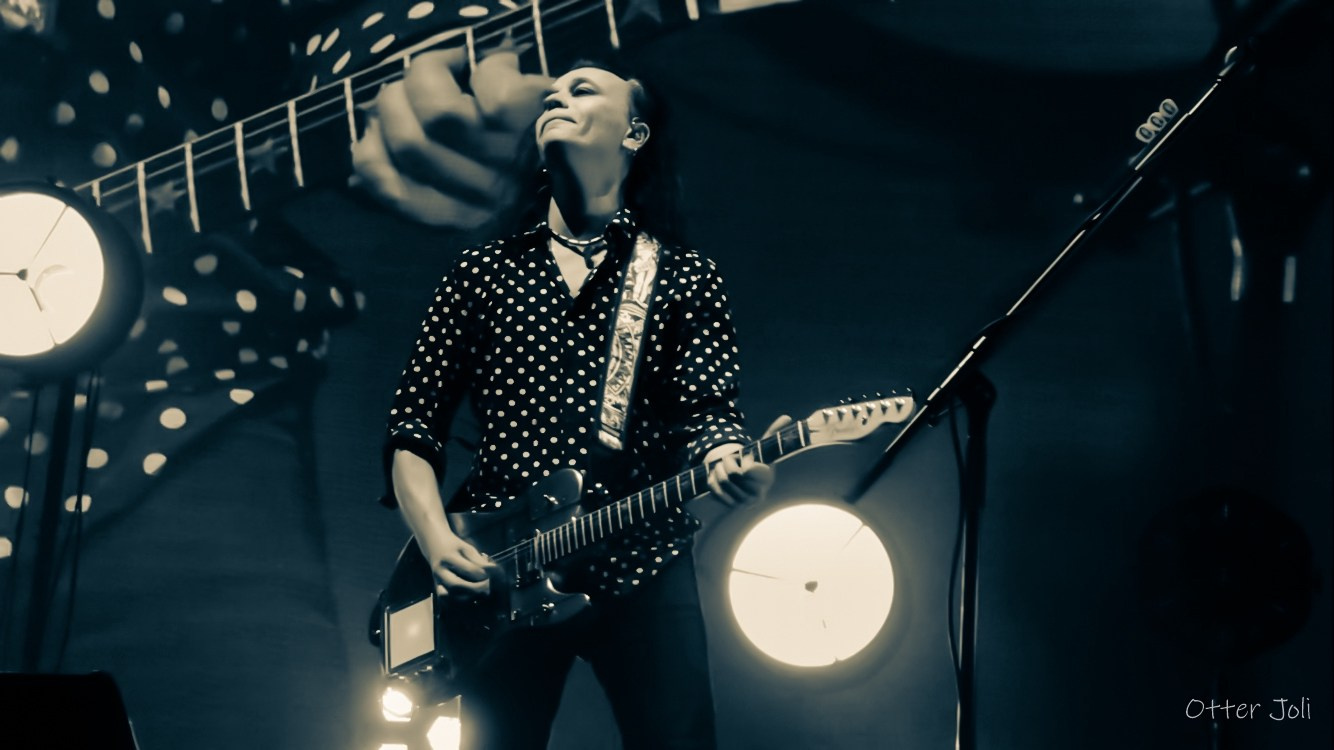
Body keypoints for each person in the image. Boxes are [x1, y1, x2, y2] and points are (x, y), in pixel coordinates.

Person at [381, 58, 786, 750]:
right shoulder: (481, 274)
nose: (555, 97)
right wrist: (437, 540)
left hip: (642, 561)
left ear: (634, 133)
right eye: (551, 93)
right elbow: (413, 429)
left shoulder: (682, 276)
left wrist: (729, 457)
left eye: (582, 89)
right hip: (501, 570)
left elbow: (707, 411)